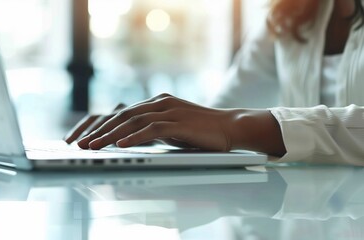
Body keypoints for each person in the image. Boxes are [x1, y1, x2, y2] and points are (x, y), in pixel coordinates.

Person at [64, 0, 364, 166]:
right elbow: (220, 112)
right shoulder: (291, 12)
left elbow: (230, 123)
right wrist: (157, 126)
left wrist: (238, 126)